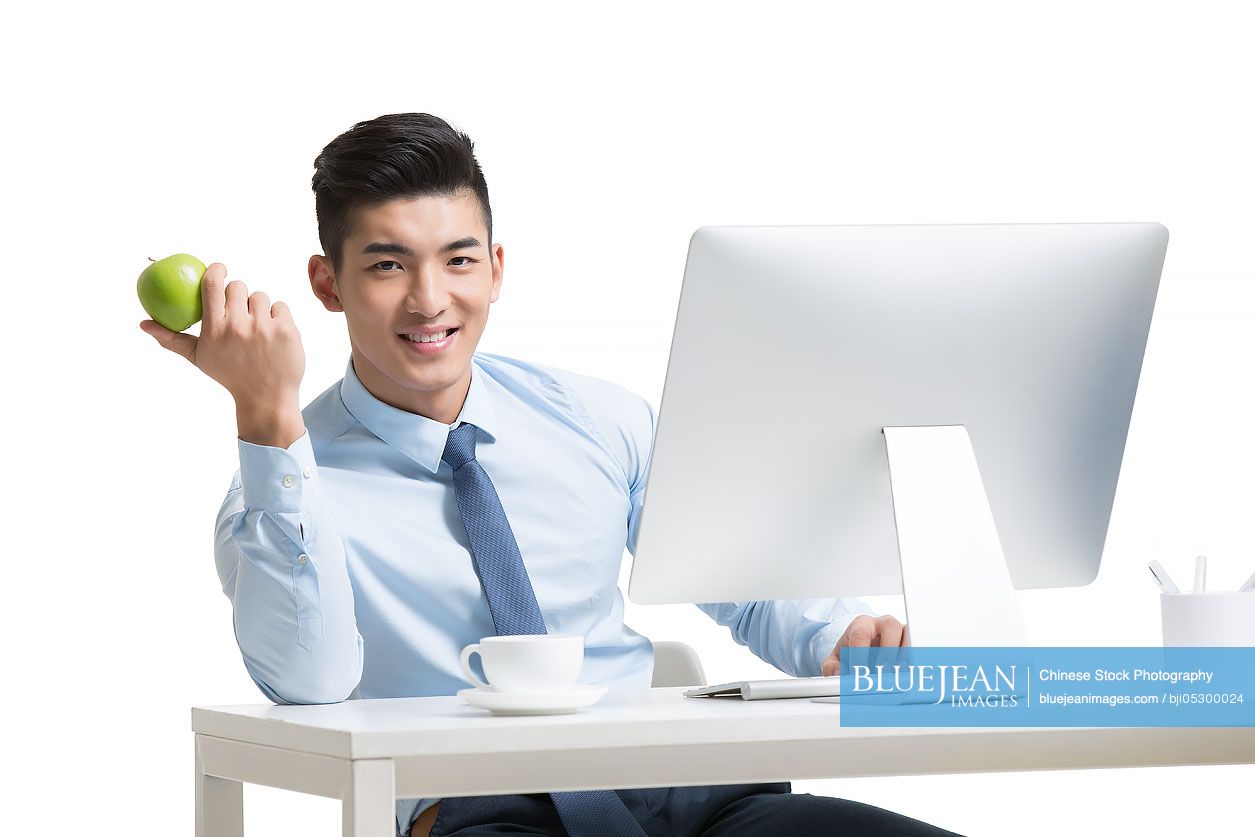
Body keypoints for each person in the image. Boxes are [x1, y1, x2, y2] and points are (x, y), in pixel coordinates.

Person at [141, 113, 958, 837]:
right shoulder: (278, 486)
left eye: (457, 259)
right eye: (388, 266)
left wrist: (837, 638)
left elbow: (737, 577)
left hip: (689, 794)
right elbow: (311, 687)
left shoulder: (598, 420)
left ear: (495, 268)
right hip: (480, 810)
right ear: (329, 283)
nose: (430, 300)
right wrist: (269, 418)